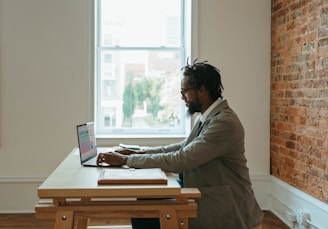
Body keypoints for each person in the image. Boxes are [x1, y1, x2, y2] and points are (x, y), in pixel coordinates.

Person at [97, 60, 263, 229]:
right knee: (144, 203)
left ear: (202, 90)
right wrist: (136, 154)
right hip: (208, 194)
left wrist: (126, 161)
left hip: (228, 208)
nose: (182, 96)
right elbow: (183, 147)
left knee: (145, 211)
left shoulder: (223, 123)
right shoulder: (208, 117)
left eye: (184, 91)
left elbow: (182, 159)